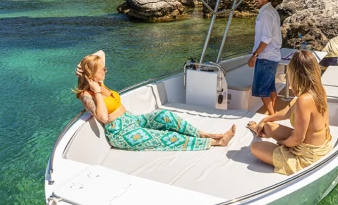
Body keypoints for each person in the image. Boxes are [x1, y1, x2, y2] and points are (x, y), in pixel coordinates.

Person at [74, 51, 235, 151]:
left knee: (165, 116)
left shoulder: (100, 82)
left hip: (133, 120)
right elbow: (102, 117)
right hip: (122, 133)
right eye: (103, 69)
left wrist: (81, 66)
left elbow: (101, 53)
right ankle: (215, 142)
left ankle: (203, 134)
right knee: (164, 137)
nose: (106, 70)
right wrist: (96, 91)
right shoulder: (86, 95)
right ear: (93, 73)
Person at [248, 51, 332, 175]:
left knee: (255, 147)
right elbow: (287, 112)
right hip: (320, 144)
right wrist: (265, 120)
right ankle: (260, 130)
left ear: (295, 73)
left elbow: (298, 138)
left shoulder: (304, 100)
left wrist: (282, 143)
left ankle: (284, 150)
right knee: (268, 126)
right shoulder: (318, 90)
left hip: (308, 155)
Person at [248, 0, 282, 116]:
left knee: (263, 90)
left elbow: (266, 38)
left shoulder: (266, 14)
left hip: (266, 57)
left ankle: (271, 117)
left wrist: (255, 55)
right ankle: (273, 113)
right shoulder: (271, 11)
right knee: (270, 87)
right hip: (272, 56)